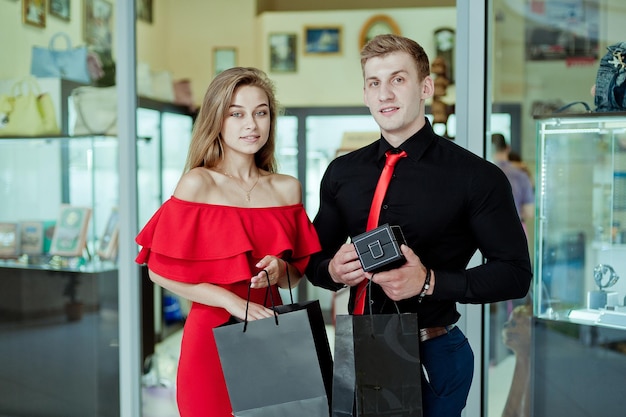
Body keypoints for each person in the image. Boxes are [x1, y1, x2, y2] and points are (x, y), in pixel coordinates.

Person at [305, 34, 532, 417]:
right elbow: (313, 260)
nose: (385, 94)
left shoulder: (476, 177)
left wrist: (429, 282)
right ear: (364, 94)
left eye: (398, 79)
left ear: (425, 86)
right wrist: (331, 269)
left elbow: (514, 274)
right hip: (358, 349)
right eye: (374, 83)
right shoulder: (342, 173)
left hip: (434, 352)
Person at [135, 67, 321, 416]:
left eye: (260, 112)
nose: (251, 124)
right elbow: (159, 271)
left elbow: (296, 276)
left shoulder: (286, 188)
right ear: (217, 120)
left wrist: (280, 269)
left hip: (272, 333)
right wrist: (232, 303)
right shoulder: (198, 183)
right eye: (236, 113)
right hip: (209, 338)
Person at [491, 133, 535, 229]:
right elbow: (529, 212)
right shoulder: (521, 174)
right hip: (516, 227)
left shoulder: (485, 173)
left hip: (489, 229)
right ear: (508, 148)